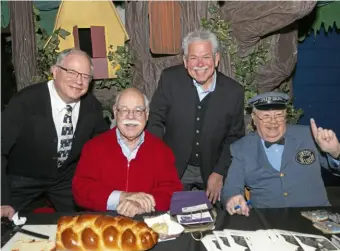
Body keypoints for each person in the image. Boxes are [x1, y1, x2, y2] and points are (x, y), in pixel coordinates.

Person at [1, 48, 109, 213]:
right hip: (22, 178)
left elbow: (103, 145)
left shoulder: (92, 107)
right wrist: (3, 200)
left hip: (66, 178)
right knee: (7, 229)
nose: (78, 81)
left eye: (85, 76)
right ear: (55, 71)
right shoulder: (24, 102)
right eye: (72, 72)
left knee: (84, 225)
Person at [147, 29, 245, 204]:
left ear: (216, 59)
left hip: (213, 169)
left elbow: (235, 137)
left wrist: (219, 172)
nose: (200, 64)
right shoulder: (170, 80)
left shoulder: (234, 92)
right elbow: (155, 121)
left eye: (206, 57)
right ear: (185, 61)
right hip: (173, 168)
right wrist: (159, 163)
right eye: (193, 58)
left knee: (217, 221)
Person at [222, 92, 340, 216]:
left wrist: (336, 152)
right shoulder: (241, 148)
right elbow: (231, 187)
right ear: (254, 119)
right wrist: (232, 199)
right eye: (266, 116)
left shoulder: (309, 136)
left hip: (317, 217)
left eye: (279, 115)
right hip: (269, 221)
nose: (273, 122)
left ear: (286, 117)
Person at [72, 88, 183, 217]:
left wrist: (142, 205)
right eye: (124, 110)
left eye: (138, 111)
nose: (131, 116)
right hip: (103, 224)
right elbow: (81, 189)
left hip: (146, 223)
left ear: (146, 114)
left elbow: (172, 191)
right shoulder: (94, 147)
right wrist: (121, 197)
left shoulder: (162, 150)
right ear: (115, 112)